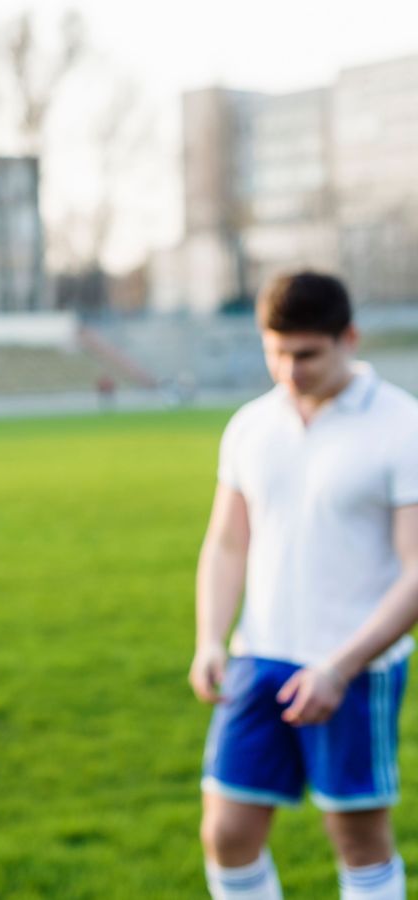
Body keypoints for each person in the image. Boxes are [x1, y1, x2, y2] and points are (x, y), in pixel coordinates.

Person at [190, 271, 418, 900]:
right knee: (227, 834)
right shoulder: (250, 425)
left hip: (354, 667)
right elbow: (228, 543)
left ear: (349, 338)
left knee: (358, 841)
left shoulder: (402, 425)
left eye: (307, 354)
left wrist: (340, 668)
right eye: (277, 352)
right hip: (257, 657)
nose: (290, 370)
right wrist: (210, 639)